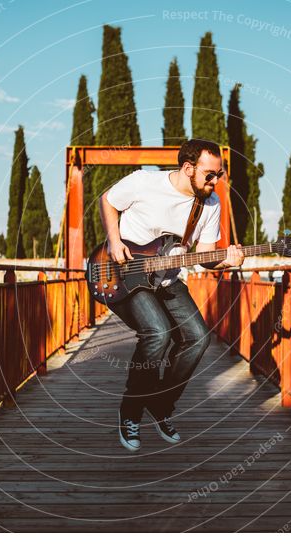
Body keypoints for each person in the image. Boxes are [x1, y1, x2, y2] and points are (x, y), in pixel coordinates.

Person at [98, 139, 245, 452]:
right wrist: (113, 241)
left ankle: (161, 404)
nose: (215, 181)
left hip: (166, 278)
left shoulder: (210, 203)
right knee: (157, 333)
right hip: (124, 273)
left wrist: (226, 260)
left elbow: (204, 255)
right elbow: (107, 199)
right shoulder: (144, 182)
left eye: (218, 174)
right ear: (188, 168)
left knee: (198, 337)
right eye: (209, 174)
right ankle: (130, 412)